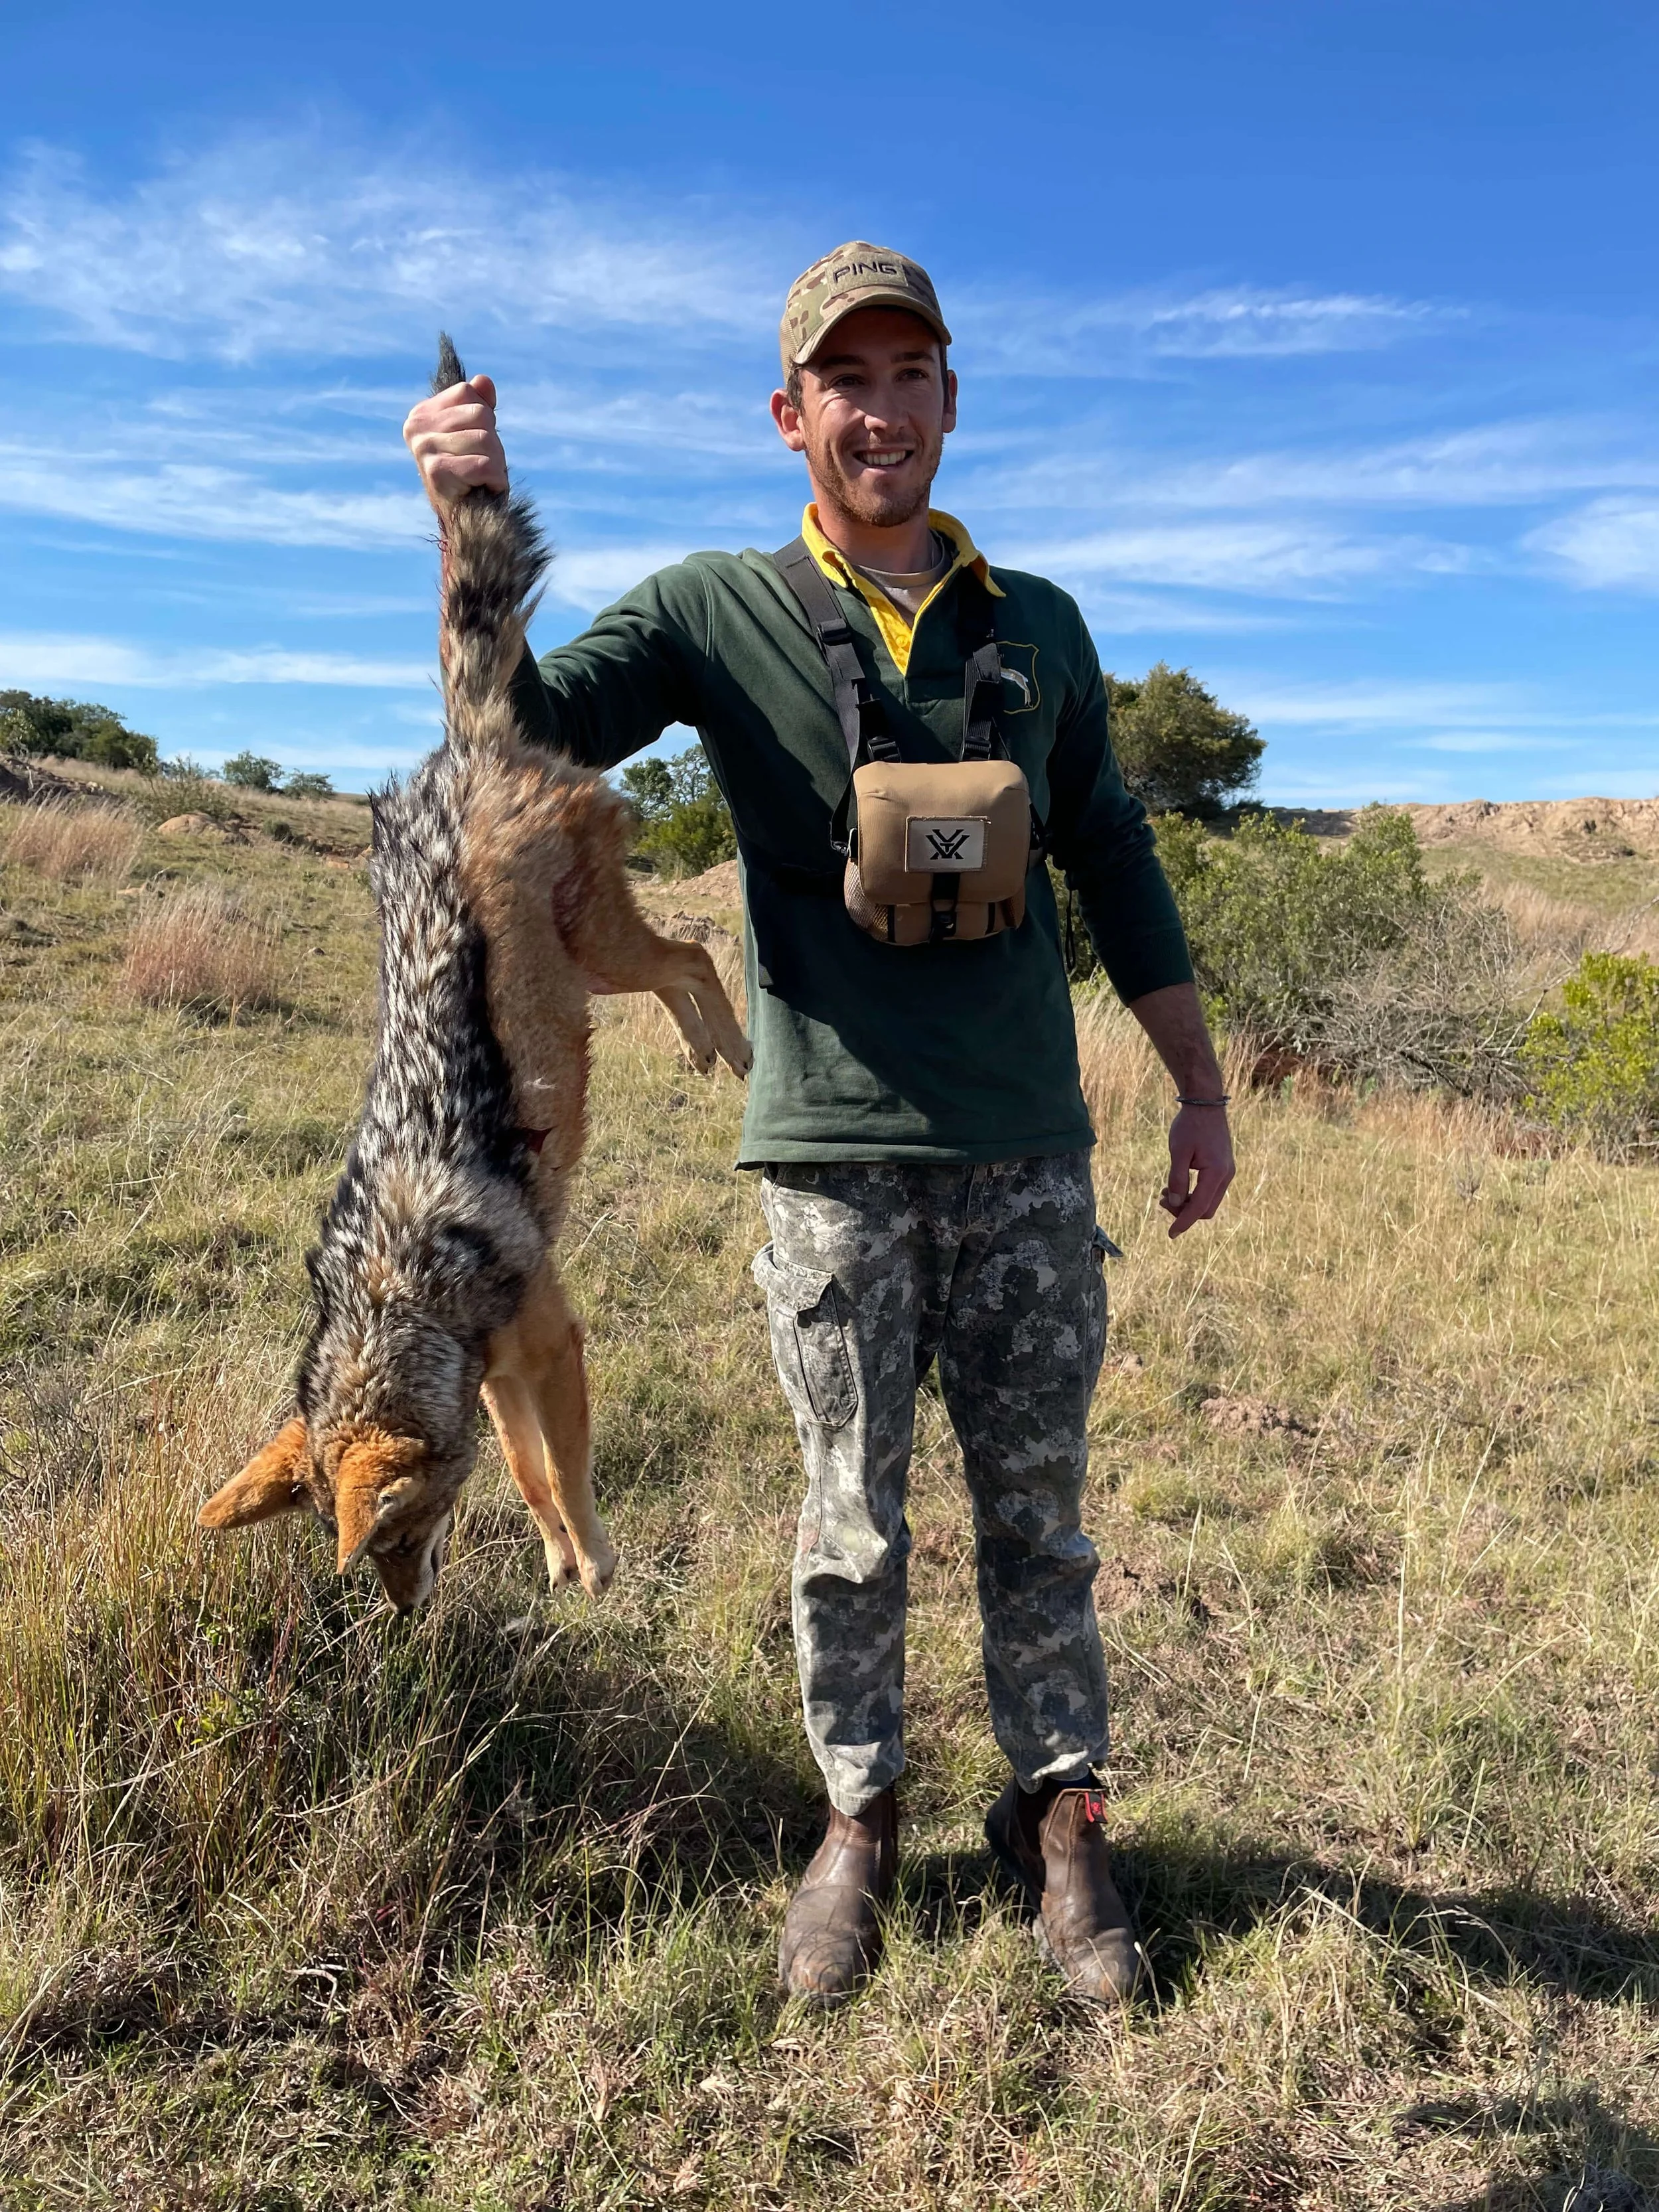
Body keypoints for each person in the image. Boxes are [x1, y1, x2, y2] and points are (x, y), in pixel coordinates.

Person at [403, 242, 1235, 2006]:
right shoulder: (716, 611)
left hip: (1027, 1154)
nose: (880, 408)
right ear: (790, 416)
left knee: (1040, 1517)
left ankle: (1062, 1816)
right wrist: (472, 536)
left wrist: (1197, 1085)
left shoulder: (1043, 628)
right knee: (849, 1519)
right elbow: (524, 733)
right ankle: (858, 1815)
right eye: (842, 378)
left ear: (952, 399)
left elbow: (1113, 855)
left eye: (907, 372)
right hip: (832, 1161)